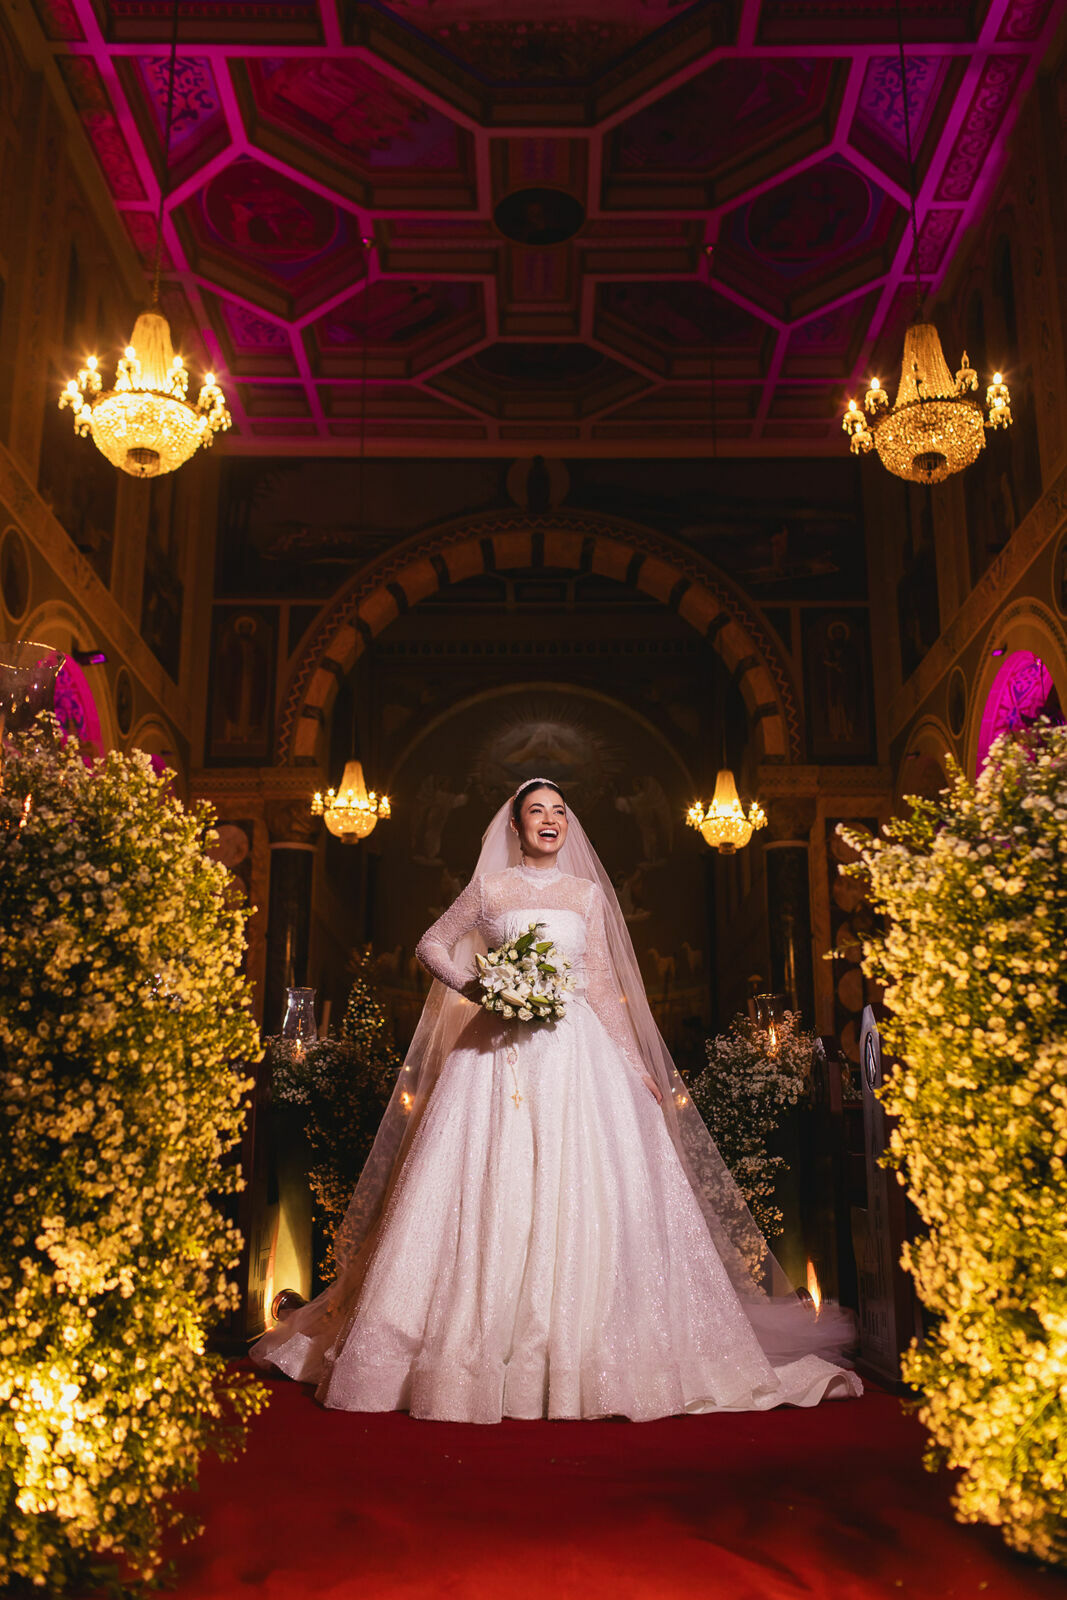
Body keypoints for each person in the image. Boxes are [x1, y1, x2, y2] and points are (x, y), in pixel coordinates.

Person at [252, 779, 862, 1422]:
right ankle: (462, 1354)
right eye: (537, 812)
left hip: (579, 1055)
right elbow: (430, 944)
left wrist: (634, 1066)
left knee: (587, 1186)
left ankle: (589, 1352)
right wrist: (481, 988)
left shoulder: (587, 895)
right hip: (494, 1058)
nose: (550, 821)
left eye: (560, 813)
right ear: (515, 827)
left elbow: (598, 982)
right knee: (489, 1184)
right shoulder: (489, 890)